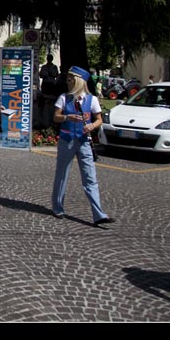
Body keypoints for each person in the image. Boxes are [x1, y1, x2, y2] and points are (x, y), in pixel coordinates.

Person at [51, 66, 114, 226]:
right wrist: (67, 117)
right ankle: (57, 207)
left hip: (84, 141)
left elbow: (99, 119)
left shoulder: (91, 100)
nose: (68, 81)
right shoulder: (64, 98)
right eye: (68, 78)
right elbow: (56, 117)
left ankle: (98, 214)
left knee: (90, 178)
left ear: (79, 81)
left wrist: (92, 126)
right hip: (67, 141)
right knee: (62, 175)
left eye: (71, 78)